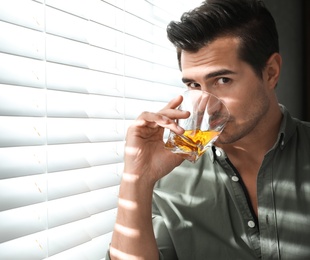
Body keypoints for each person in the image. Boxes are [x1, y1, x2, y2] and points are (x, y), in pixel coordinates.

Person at [107, 0, 310, 259]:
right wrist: (137, 177)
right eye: (193, 85)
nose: (206, 105)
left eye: (223, 80)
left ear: (270, 72)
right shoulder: (170, 178)